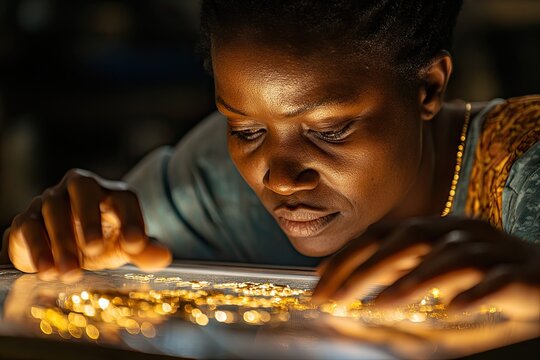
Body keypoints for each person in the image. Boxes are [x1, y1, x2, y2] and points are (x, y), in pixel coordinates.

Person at [1, 0, 539, 320]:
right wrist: (54, 240)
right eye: (247, 128)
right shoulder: (219, 179)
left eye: (330, 130)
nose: (279, 178)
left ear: (427, 86)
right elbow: (96, 241)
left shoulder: (525, 170)